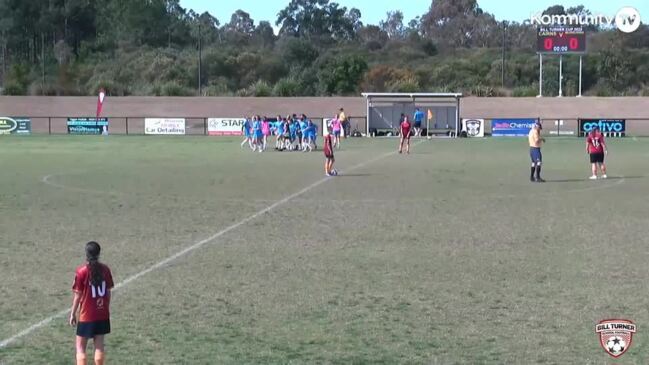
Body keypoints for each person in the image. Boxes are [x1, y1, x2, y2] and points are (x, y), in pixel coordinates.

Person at [70, 241, 114, 365]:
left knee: (80, 348)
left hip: (87, 315)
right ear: (99, 253)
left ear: (86, 254)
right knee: (99, 346)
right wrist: (106, 307)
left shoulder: (82, 272)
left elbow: (78, 296)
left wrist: (73, 314)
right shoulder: (105, 269)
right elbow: (108, 292)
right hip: (102, 314)